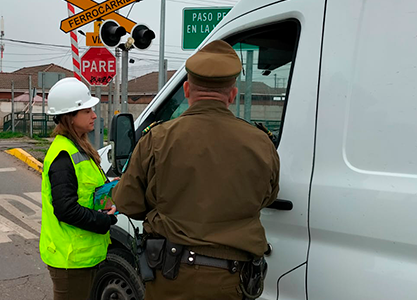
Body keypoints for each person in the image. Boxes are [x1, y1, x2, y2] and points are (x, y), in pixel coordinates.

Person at [112, 40, 280, 300]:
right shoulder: (262, 143)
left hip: (171, 278)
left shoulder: (158, 139)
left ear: (187, 90)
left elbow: (127, 202)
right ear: (233, 94)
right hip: (235, 282)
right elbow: (267, 196)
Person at [39, 77, 117, 300]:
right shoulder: (63, 156)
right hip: (71, 259)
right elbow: (66, 209)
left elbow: (87, 191)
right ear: (70, 117)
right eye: (87, 111)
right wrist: (102, 221)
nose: (94, 115)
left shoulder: (78, 147)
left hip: (82, 255)